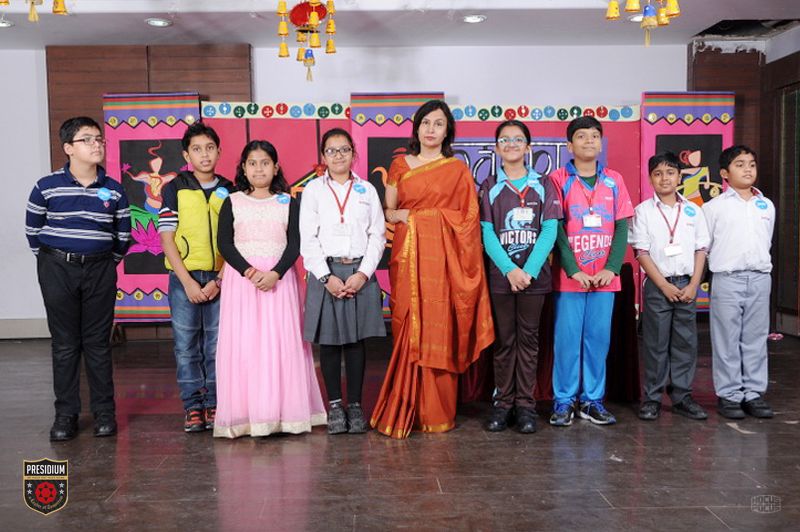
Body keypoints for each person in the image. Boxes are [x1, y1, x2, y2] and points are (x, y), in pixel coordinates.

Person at [371, 99, 494, 439]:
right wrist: (404, 216)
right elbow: (389, 211)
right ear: (417, 128)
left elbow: (468, 220)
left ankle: (435, 411)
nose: (431, 129)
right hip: (408, 258)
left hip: (443, 263)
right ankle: (405, 406)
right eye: (426, 122)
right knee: (408, 324)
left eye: (438, 124)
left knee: (440, 325)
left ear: (447, 131)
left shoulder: (457, 170)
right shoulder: (400, 164)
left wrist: (419, 216)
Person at [25, 116, 131, 441]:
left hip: (100, 270)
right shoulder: (46, 186)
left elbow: (122, 237)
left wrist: (100, 262)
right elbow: (33, 231)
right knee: (65, 344)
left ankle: (104, 414)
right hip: (57, 269)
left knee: (98, 343)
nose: (96, 144)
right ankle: (65, 416)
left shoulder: (114, 190)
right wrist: (56, 262)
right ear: (69, 148)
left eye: (99, 138)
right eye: (87, 139)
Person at [214, 140, 327, 437]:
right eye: (252, 163)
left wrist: (276, 273)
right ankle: (246, 415)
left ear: (275, 167)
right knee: (245, 346)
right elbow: (224, 243)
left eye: (265, 163)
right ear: (243, 168)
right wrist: (250, 272)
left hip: (280, 280)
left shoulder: (288, 202)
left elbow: (295, 243)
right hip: (243, 284)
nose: (259, 169)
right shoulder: (232, 201)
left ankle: (286, 414)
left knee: (282, 345)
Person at [299, 128, 387, 435]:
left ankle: (356, 405)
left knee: (356, 341)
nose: (338, 155)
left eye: (344, 150)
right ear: (323, 156)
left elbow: (378, 235)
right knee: (330, 341)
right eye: (332, 150)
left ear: (353, 154)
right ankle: (335, 405)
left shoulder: (367, 190)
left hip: (360, 272)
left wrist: (363, 274)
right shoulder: (313, 191)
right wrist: (326, 277)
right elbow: (307, 238)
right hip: (327, 273)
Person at [549, 116, 634, 427]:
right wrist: (573, 270)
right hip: (569, 279)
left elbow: (622, 227)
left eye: (594, 136)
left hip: (604, 280)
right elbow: (555, 229)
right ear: (569, 145)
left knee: (598, 341)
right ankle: (563, 400)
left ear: (601, 143)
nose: (589, 141)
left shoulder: (614, 180)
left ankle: (592, 400)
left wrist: (612, 268)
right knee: (567, 342)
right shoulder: (557, 179)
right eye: (581, 136)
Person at [479, 120, 561, 433]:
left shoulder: (544, 184)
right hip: (502, 278)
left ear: (528, 147)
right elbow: (486, 233)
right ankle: (503, 404)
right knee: (504, 341)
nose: (511, 144)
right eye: (505, 139)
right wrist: (509, 270)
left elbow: (550, 230)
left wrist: (527, 271)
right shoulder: (489, 185)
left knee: (528, 341)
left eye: (517, 139)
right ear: (497, 148)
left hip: (534, 279)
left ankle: (526, 406)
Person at [158, 122, 233, 432]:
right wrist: (187, 281)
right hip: (183, 278)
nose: (205, 154)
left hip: (221, 278)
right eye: (197, 149)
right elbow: (167, 239)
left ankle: (215, 403)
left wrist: (220, 280)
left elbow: (236, 241)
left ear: (219, 151)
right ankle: (192, 406)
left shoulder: (230, 189)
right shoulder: (174, 188)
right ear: (186, 155)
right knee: (186, 346)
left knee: (217, 345)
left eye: (210, 148)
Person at [629, 152, 710, 421]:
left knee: (686, 342)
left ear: (679, 176)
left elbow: (701, 249)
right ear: (650, 178)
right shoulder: (643, 211)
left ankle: (682, 396)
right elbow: (641, 252)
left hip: (687, 284)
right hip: (657, 286)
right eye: (658, 173)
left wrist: (694, 284)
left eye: (670, 172)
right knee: (655, 343)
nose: (665, 178)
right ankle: (652, 398)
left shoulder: (693, 210)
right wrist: (663, 285)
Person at [702, 145, 775, 419]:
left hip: (759, 278)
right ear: (724, 173)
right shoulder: (713, 208)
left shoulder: (766, 205)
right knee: (726, 339)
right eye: (740, 164)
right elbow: (705, 247)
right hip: (727, 279)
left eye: (751, 164)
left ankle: (754, 393)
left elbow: (766, 241)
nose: (748, 169)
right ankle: (730, 394)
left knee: (756, 338)